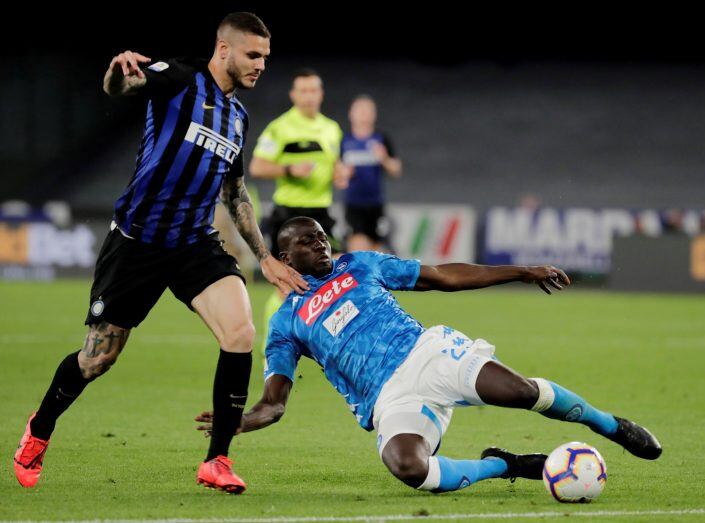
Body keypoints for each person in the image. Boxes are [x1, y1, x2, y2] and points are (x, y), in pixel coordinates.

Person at [13, 12, 308, 495]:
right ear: (224, 49)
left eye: (266, 58)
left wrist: (266, 257)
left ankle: (216, 460)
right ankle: (39, 429)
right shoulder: (178, 79)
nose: (261, 65)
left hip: (193, 243)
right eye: (254, 55)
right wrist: (116, 72)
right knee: (96, 360)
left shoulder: (238, 116)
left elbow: (235, 193)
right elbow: (121, 88)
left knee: (240, 331)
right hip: (137, 243)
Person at [196, 217, 662, 493]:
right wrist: (237, 420)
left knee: (520, 392)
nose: (321, 244)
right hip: (387, 399)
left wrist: (520, 271)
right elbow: (274, 402)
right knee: (409, 469)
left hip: (426, 353)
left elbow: (442, 275)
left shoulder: (359, 263)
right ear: (284, 255)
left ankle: (609, 425)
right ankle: (507, 464)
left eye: (322, 236)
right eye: (307, 241)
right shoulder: (285, 322)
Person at [249, 69, 350, 351]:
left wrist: (339, 173)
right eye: (302, 91)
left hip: (322, 214)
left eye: (313, 90)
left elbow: (334, 164)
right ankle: (274, 348)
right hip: (290, 215)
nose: (308, 96)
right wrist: (289, 168)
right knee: (286, 285)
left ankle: (324, 342)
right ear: (293, 95)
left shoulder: (332, 128)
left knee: (337, 277)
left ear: (320, 94)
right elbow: (257, 166)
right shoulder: (280, 128)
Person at [341, 95, 402, 252]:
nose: (363, 114)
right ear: (351, 114)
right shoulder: (343, 141)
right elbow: (335, 175)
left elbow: (396, 170)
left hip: (375, 204)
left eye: (367, 111)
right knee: (358, 247)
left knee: (376, 249)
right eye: (360, 110)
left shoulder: (381, 139)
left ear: (374, 114)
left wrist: (385, 159)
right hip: (354, 205)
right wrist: (343, 173)